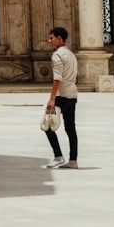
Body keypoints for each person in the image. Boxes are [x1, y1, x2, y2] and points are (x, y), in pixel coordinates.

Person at [44, 25, 79, 168]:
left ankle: (58, 156)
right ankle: (73, 160)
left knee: (47, 126)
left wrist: (52, 99)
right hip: (72, 96)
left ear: (59, 39)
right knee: (70, 128)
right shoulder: (71, 54)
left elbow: (57, 79)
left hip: (61, 97)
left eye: (51, 38)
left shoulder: (57, 55)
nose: (49, 40)